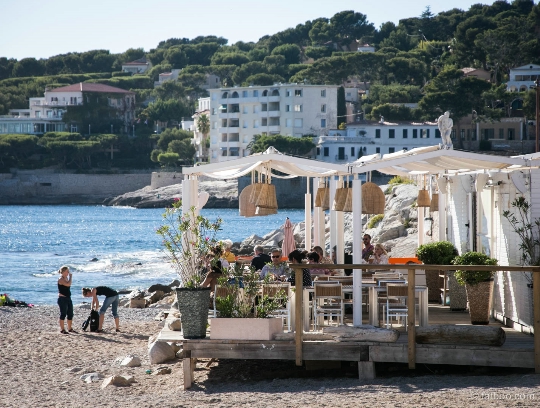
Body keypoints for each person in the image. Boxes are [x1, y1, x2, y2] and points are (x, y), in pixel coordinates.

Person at [57, 266, 75, 334]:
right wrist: (71, 277)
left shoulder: (66, 278)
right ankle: (62, 329)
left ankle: (70, 328)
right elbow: (68, 284)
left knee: (70, 314)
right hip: (62, 298)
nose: (68, 273)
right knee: (63, 314)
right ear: (64, 272)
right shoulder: (60, 279)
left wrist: (69, 277)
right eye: (67, 271)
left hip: (68, 298)